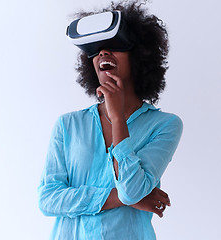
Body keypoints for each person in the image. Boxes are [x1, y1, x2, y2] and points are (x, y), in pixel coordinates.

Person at [38, 2, 183, 239]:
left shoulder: (165, 125)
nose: (103, 53)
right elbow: (48, 199)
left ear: (138, 57)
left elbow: (131, 191)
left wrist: (117, 118)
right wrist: (121, 199)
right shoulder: (68, 125)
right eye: (96, 49)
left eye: (115, 46)